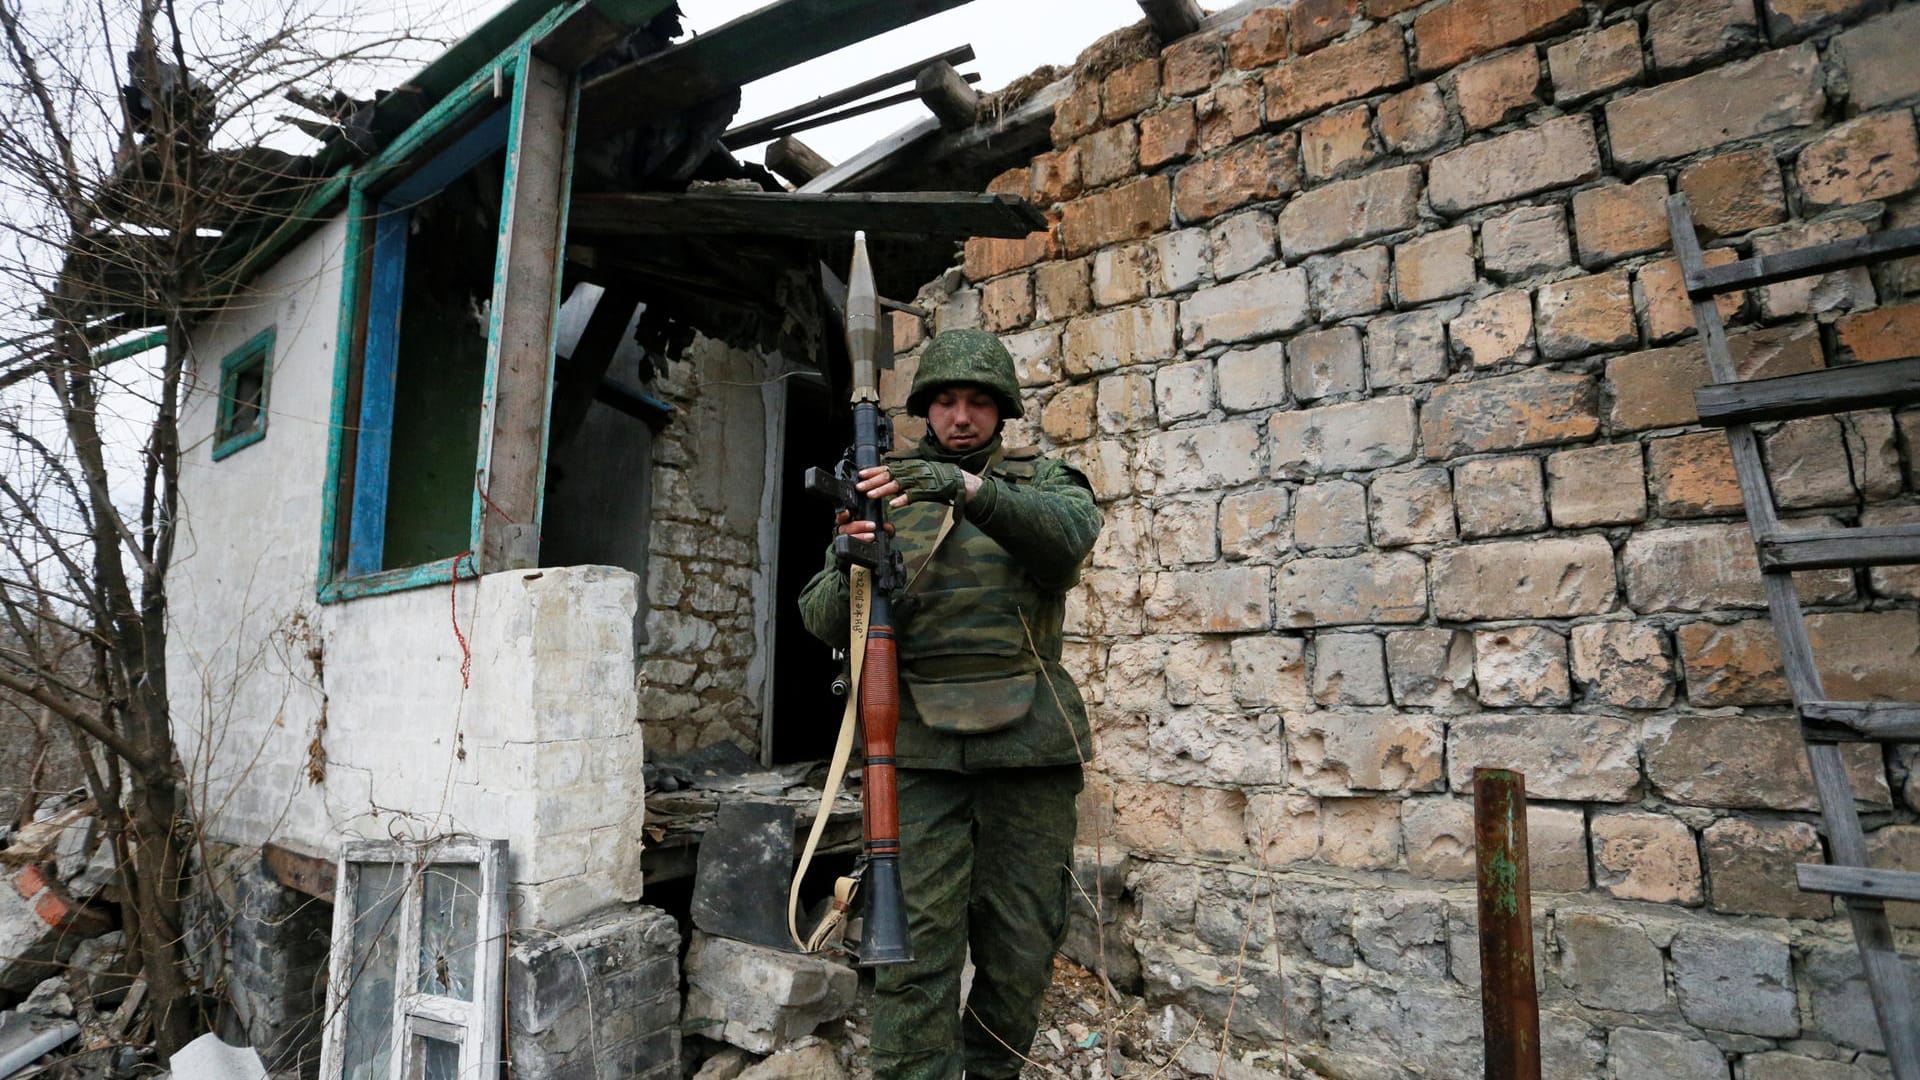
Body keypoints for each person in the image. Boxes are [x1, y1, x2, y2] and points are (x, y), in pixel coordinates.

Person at [798, 327, 1103, 1080]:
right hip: (918, 756)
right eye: (944, 402)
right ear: (924, 410)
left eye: (976, 402)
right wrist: (851, 561)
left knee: (1021, 949)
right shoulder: (883, 489)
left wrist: (966, 489)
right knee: (913, 956)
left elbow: (1069, 541)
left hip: (1029, 750)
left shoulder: (1045, 482)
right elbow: (821, 617)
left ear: (1002, 410)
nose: (960, 417)